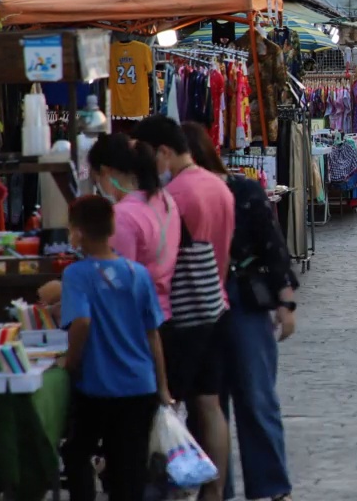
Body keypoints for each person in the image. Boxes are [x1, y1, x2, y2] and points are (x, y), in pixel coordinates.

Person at [179, 123, 296, 501]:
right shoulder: (176, 196)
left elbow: (270, 243)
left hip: (241, 296)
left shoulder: (241, 190)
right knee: (210, 401)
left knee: (254, 395)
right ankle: (218, 488)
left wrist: (284, 298)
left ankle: (269, 487)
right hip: (204, 300)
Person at [130, 116, 232, 501]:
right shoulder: (219, 186)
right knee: (211, 405)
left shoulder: (175, 195)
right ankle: (216, 490)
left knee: (170, 405)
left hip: (182, 310)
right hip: (215, 302)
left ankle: (179, 485)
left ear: (163, 152)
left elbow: (164, 260)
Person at [61, 195, 171, 501]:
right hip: (139, 385)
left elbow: (81, 322)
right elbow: (153, 335)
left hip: (98, 388)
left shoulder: (77, 275)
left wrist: (70, 362)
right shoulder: (138, 273)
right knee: (130, 471)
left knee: (76, 451)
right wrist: (162, 387)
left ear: (78, 232)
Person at [86, 134, 181, 320]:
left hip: (134, 321)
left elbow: (117, 282)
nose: (98, 186)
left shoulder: (122, 216)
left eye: (96, 179)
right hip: (163, 313)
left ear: (105, 171)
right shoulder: (164, 200)